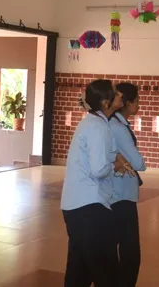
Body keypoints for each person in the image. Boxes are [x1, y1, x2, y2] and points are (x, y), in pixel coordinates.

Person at [61, 79, 135, 287]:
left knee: (79, 271)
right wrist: (116, 166)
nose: (120, 95)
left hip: (78, 206)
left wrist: (114, 158)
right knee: (107, 272)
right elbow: (99, 169)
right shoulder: (97, 127)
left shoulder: (94, 123)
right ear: (104, 102)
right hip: (90, 209)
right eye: (115, 93)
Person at [110, 82, 146, 287]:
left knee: (121, 246)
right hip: (121, 195)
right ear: (127, 103)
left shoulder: (118, 123)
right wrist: (134, 161)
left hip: (120, 192)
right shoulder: (117, 127)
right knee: (130, 250)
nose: (138, 105)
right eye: (137, 101)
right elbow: (139, 163)